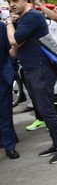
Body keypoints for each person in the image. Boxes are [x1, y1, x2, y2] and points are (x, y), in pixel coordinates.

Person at [6, 0, 57, 164]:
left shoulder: (31, 17)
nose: (11, 5)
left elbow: (14, 41)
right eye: (8, 2)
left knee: (47, 110)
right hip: (30, 69)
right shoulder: (21, 20)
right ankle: (56, 143)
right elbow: (13, 51)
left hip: (40, 69)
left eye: (15, 1)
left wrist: (8, 23)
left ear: (24, 1)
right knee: (43, 111)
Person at [0, 21, 19, 159]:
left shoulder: (1, 27)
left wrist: (11, 71)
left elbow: (10, 50)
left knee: (4, 114)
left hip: (2, 79)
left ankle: (9, 146)